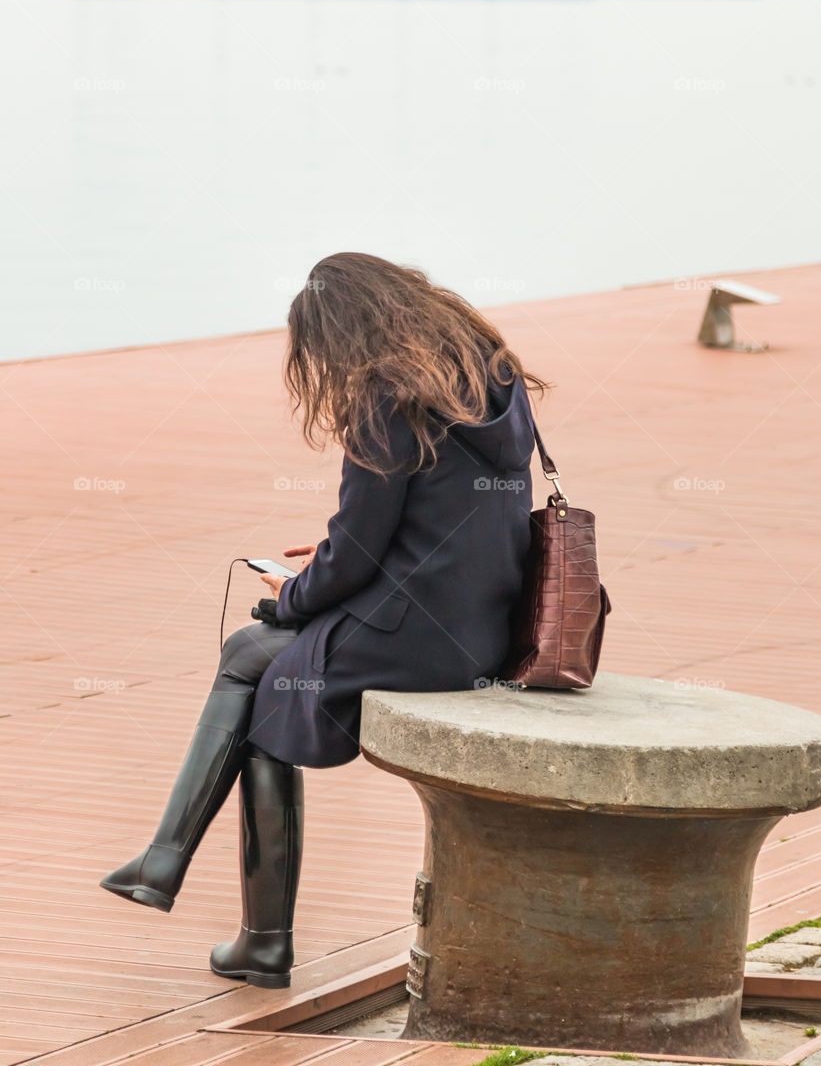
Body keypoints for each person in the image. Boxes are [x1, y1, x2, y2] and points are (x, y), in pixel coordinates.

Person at [100, 251, 547, 988]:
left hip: (413, 638)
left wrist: (293, 595)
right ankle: (198, 890)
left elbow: (358, 551)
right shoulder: (489, 370)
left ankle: (218, 902)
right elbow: (450, 516)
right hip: (481, 627)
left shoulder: (386, 394)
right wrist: (336, 561)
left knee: (252, 657)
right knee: (261, 678)